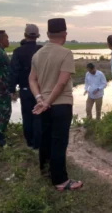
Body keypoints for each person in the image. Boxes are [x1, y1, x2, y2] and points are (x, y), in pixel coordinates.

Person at [29, 18, 83, 191]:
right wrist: (48, 103)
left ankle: (45, 172)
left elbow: (32, 79)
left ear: (47, 34)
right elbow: (61, 84)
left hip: (44, 104)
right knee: (59, 142)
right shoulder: (66, 53)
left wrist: (40, 99)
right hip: (60, 105)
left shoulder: (37, 54)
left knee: (46, 140)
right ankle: (60, 181)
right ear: (65, 34)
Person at [10, 24, 42, 150]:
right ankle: (39, 143)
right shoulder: (41, 50)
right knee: (39, 115)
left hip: (25, 89)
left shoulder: (18, 51)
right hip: (41, 90)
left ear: (25, 35)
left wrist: (12, 89)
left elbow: (14, 72)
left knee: (27, 116)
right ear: (38, 36)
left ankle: (30, 142)